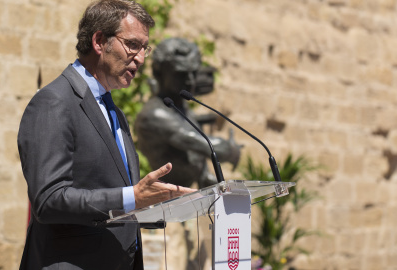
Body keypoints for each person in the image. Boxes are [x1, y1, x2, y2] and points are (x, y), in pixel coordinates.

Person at [17, 1, 194, 269]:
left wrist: (163, 203)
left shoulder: (115, 113)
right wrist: (132, 197)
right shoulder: (54, 102)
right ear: (99, 41)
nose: (142, 58)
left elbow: (122, 197)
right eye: (133, 45)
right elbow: (49, 200)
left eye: (145, 48)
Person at [135, 38, 242, 189]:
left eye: (194, 73)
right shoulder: (156, 115)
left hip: (184, 200)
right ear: (159, 73)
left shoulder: (180, 107)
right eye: (181, 74)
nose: (190, 80)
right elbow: (211, 148)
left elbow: (193, 156)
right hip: (162, 202)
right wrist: (232, 150)